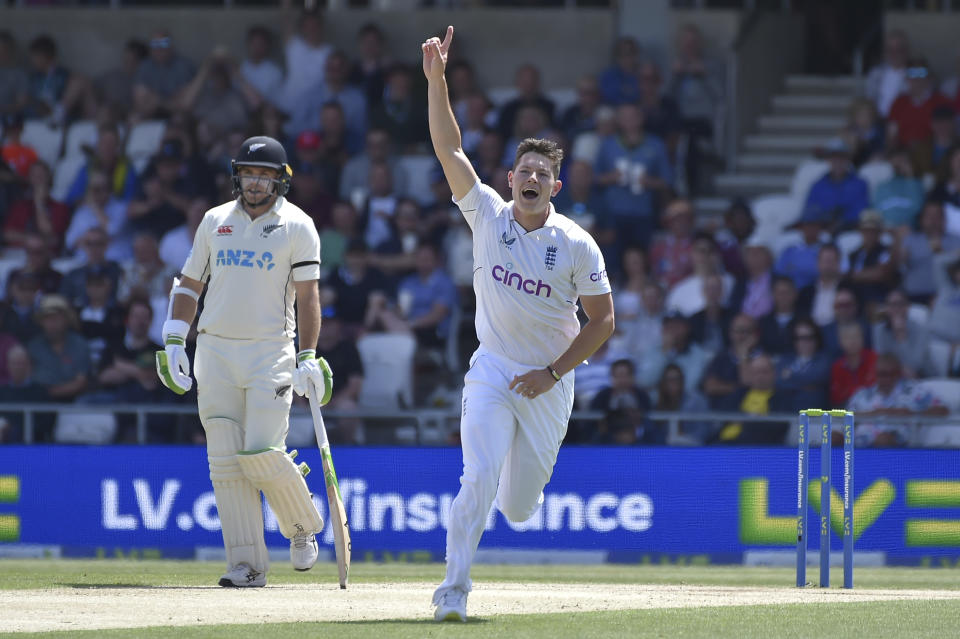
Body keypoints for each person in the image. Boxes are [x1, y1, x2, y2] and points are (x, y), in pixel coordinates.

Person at [422, 27, 615, 623]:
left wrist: (553, 373)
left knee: (520, 508)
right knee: (475, 476)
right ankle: (452, 592)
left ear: (555, 186)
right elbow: (450, 149)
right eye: (522, 169)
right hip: (493, 367)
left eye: (541, 172)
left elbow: (604, 321)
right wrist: (437, 80)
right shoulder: (485, 213)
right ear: (511, 179)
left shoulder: (577, 244)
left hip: (550, 382)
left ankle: (514, 481)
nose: (530, 177)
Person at [155, 135, 333, 588]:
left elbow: (310, 298)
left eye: (265, 175)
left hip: (269, 351)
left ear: (280, 180)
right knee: (224, 462)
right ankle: (247, 566)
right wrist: (175, 339)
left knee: (260, 453)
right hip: (214, 351)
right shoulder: (216, 220)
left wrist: (308, 355)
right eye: (249, 174)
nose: (255, 183)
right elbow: (190, 283)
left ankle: (302, 526)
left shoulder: (298, 225)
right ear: (238, 176)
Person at [847, 353, 947, 447]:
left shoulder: (915, 391)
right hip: (860, 444)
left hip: (897, 444)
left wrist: (912, 414)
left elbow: (943, 410)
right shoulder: (863, 394)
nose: (883, 379)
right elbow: (847, 417)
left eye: (887, 374)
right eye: (879, 374)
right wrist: (877, 413)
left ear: (898, 373)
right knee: (834, 438)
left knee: (883, 440)